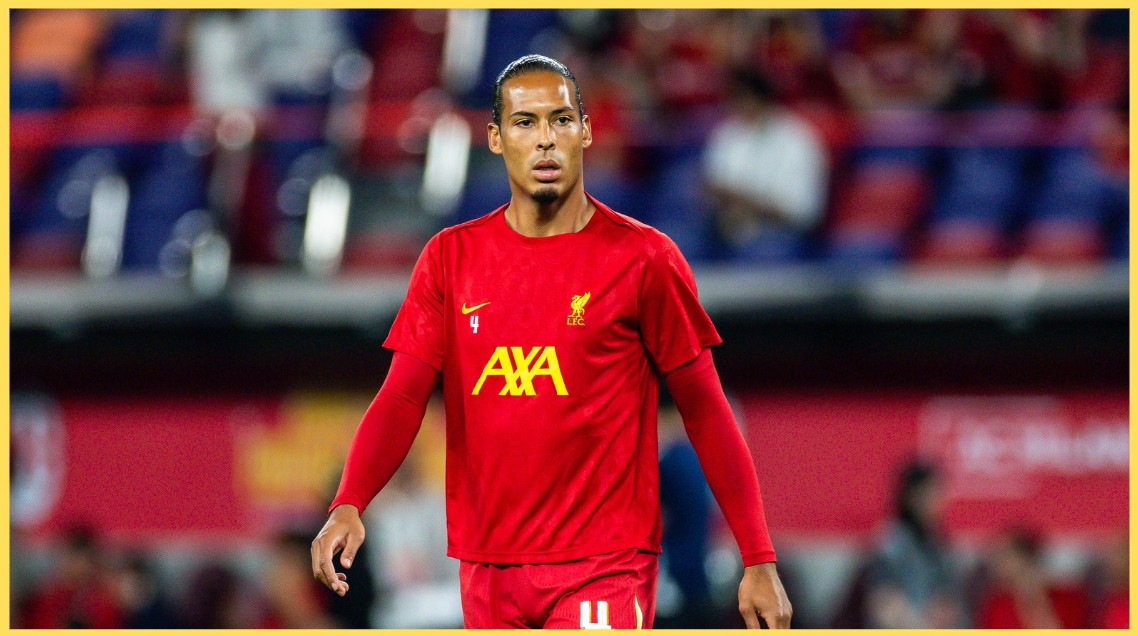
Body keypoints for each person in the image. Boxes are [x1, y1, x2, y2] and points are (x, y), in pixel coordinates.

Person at [310, 54, 791, 629]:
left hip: (604, 565)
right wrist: (350, 500)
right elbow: (402, 397)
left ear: (585, 131)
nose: (545, 140)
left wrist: (758, 557)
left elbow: (707, 409)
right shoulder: (449, 259)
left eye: (561, 120)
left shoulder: (644, 259)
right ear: (494, 137)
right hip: (488, 568)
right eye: (524, 122)